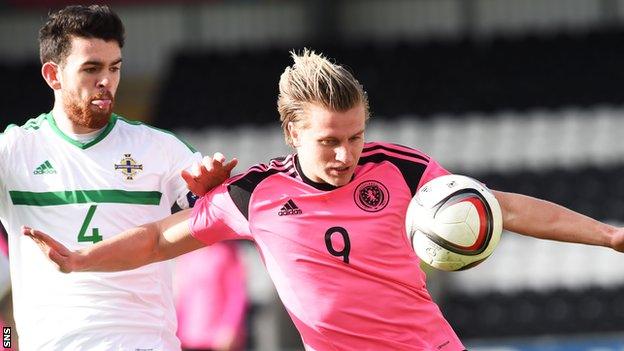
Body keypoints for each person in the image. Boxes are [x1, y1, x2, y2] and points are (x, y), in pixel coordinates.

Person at [24, 49, 624, 351]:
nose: (346, 154)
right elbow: (159, 238)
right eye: (329, 141)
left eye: (356, 136)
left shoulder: (401, 169)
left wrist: (611, 234)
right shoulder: (255, 193)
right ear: (292, 133)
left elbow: (504, 208)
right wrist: (80, 260)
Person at [0, 5, 234, 350]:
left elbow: (220, 216)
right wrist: (6, 341)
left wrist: (211, 193)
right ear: (53, 75)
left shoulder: (160, 148)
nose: (106, 81)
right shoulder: (13, 152)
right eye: (91, 69)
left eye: (114, 68)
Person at [174, 242, 247, 351]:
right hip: (187, 337)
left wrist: (230, 328)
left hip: (217, 339)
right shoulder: (186, 254)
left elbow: (236, 295)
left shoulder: (225, 252)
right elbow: (182, 297)